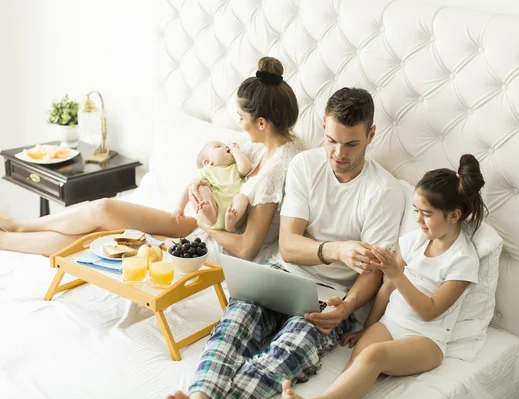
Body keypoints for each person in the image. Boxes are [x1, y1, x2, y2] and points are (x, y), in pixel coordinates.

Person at [166, 87, 406, 399]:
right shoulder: (305, 165)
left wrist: (347, 306)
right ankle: (199, 396)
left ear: (371, 135)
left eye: (351, 144)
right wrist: (336, 249)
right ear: (323, 126)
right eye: (331, 140)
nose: (338, 153)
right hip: (280, 274)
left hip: (330, 299)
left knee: (285, 354)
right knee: (232, 328)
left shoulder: (384, 192)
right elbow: (289, 246)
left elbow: (372, 274)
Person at [0, 56, 299, 262]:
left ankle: (16, 232)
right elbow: (222, 176)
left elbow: (247, 248)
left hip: (205, 238)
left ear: (262, 123)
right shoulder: (262, 148)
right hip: (194, 222)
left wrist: (207, 226)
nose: (239, 124)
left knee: (103, 227)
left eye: (242, 118)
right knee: (102, 220)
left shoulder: (278, 166)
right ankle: (18, 229)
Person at [280, 154, 487, 399]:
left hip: (425, 340)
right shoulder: (415, 240)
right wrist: (367, 331)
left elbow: (429, 311)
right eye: (416, 211)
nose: (418, 220)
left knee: (372, 356)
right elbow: (386, 290)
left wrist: (396, 274)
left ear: (454, 215)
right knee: (356, 364)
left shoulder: (462, 260)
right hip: (388, 325)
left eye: (427, 214)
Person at [173, 140, 252, 232]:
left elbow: (246, 168)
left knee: (242, 198)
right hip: (215, 210)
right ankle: (208, 214)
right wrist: (180, 206)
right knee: (201, 187)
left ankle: (232, 219)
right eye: (218, 146)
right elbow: (190, 187)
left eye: (226, 145)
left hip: (233, 211)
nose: (226, 147)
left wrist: (236, 151)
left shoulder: (235, 167)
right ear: (208, 162)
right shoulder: (207, 171)